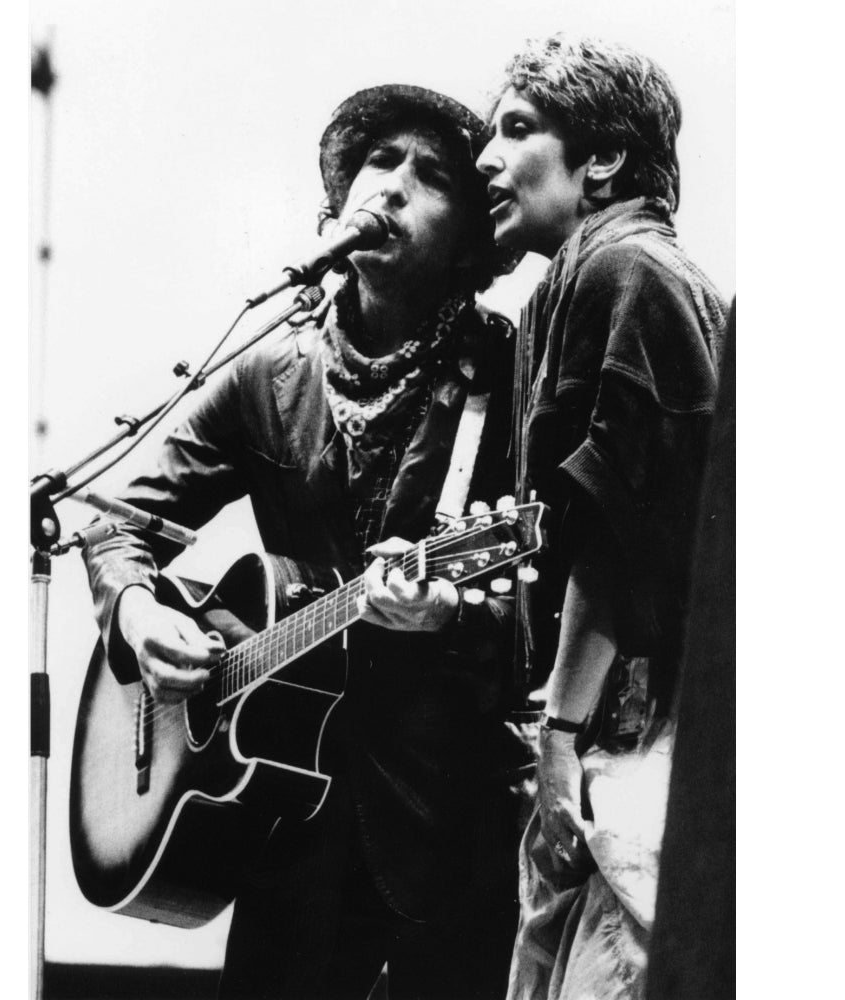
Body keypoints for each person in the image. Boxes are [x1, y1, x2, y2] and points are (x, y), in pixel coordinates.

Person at [84, 83, 532, 1000]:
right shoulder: (267, 371)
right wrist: (135, 612)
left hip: (446, 815)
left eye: (433, 175)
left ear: (470, 247)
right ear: (335, 204)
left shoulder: (513, 376)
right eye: (379, 161)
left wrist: (446, 622)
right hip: (282, 820)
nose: (394, 187)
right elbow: (119, 521)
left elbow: (560, 599)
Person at [475, 35, 729, 1000]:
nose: (485, 160)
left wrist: (560, 731)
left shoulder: (631, 271)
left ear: (605, 158)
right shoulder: (572, 283)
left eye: (516, 129)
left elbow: (625, 529)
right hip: (604, 741)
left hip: (635, 741)